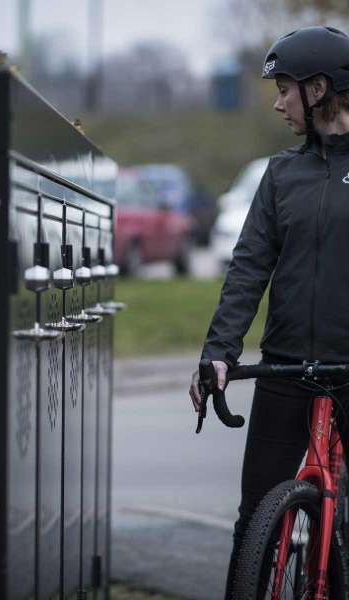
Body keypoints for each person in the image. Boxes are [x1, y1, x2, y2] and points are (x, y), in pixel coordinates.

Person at [188, 25, 349, 598]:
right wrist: (219, 353)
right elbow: (249, 268)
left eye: (285, 88)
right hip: (285, 368)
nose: (278, 102)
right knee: (256, 517)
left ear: (320, 88)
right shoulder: (281, 174)